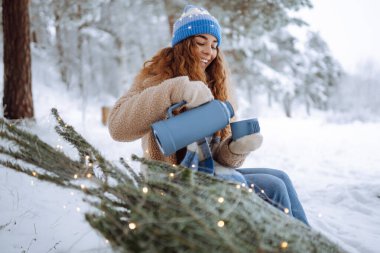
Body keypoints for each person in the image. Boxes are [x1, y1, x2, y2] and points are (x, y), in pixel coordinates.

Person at [108, 5, 309, 226]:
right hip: (171, 183)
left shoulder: (218, 87)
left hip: (208, 173)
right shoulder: (157, 80)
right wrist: (175, 90)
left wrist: (235, 148)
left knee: (280, 179)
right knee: (268, 187)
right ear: (183, 45)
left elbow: (222, 157)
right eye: (200, 43)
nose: (209, 51)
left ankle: (309, 243)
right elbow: (117, 128)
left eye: (214, 45)